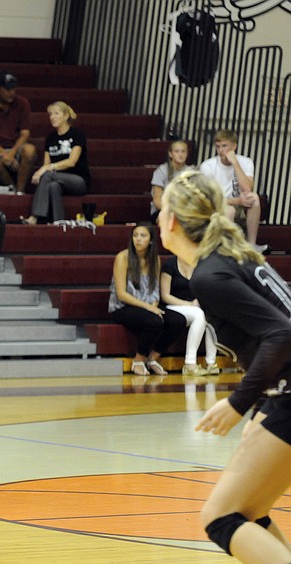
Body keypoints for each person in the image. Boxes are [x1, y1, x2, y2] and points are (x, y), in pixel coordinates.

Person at [157, 170, 291, 563]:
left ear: (173, 220)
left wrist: (237, 404)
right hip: (283, 393)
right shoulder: (231, 258)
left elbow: (282, 334)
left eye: (161, 210)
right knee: (248, 511)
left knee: (221, 518)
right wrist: (260, 408)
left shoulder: (210, 275)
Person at [108, 224, 186, 376]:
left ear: (150, 240)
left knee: (178, 321)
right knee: (154, 321)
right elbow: (121, 294)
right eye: (135, 235)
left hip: (146, 306)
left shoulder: (154, 259)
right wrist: (148, 308)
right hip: (123, 307)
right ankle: (138, 361)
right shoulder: (123, 257)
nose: (138, 239)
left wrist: (154, 305)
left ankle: (153, 358)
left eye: (143, 236)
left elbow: (155, 290)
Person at [23, 101, 90, 225]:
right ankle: (58, 221)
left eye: (56, 113)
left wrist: (46, 169)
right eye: (50, 114)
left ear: (66, 116)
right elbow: (46, 164)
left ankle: (35, 216)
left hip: (78, 180)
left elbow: (71, 162)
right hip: (56, 179)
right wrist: (44, 169)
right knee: (53, 186)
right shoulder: (50, 138)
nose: (52, 117)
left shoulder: (77, 135)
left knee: (47, 175)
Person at [199, 130, 264, 250]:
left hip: (240, 203)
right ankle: (228, 247)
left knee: (254, 198)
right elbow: (210, 198)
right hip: (218, 204)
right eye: (218, 147)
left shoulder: (246, 162)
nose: (221, 150)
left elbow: (247, 188)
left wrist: (235, 163)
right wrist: (237, 201)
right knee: (229, 210)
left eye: (224, 146)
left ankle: (251, 244)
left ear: (234, 146)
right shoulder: (207, 166)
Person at [160, 255, 218, 375]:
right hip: (173, 306)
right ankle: (190, 364)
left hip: (194, 307)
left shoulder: (200, 265)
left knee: (211, 315)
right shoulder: (170, 265)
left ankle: (211, 363)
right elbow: (165, 296)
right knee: (200, 315)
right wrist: (189, 304)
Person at [0, 71, 36, 194]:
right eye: (8, 89)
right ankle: (13, 189)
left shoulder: (22, 103)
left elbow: (25, 133)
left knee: (30, 150)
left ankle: (20, 191)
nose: (12, 93)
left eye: (14, 89)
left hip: (16, 145)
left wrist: (12, 152)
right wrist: (4, 153)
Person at [151, 139, 194, 223]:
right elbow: (157, 201)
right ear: (170, 154)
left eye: (183, 151)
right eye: (177, 151)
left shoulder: (191, 172)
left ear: (187, 153)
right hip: (162, 210)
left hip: (184, 211)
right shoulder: (161, 171)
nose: (180, 154)